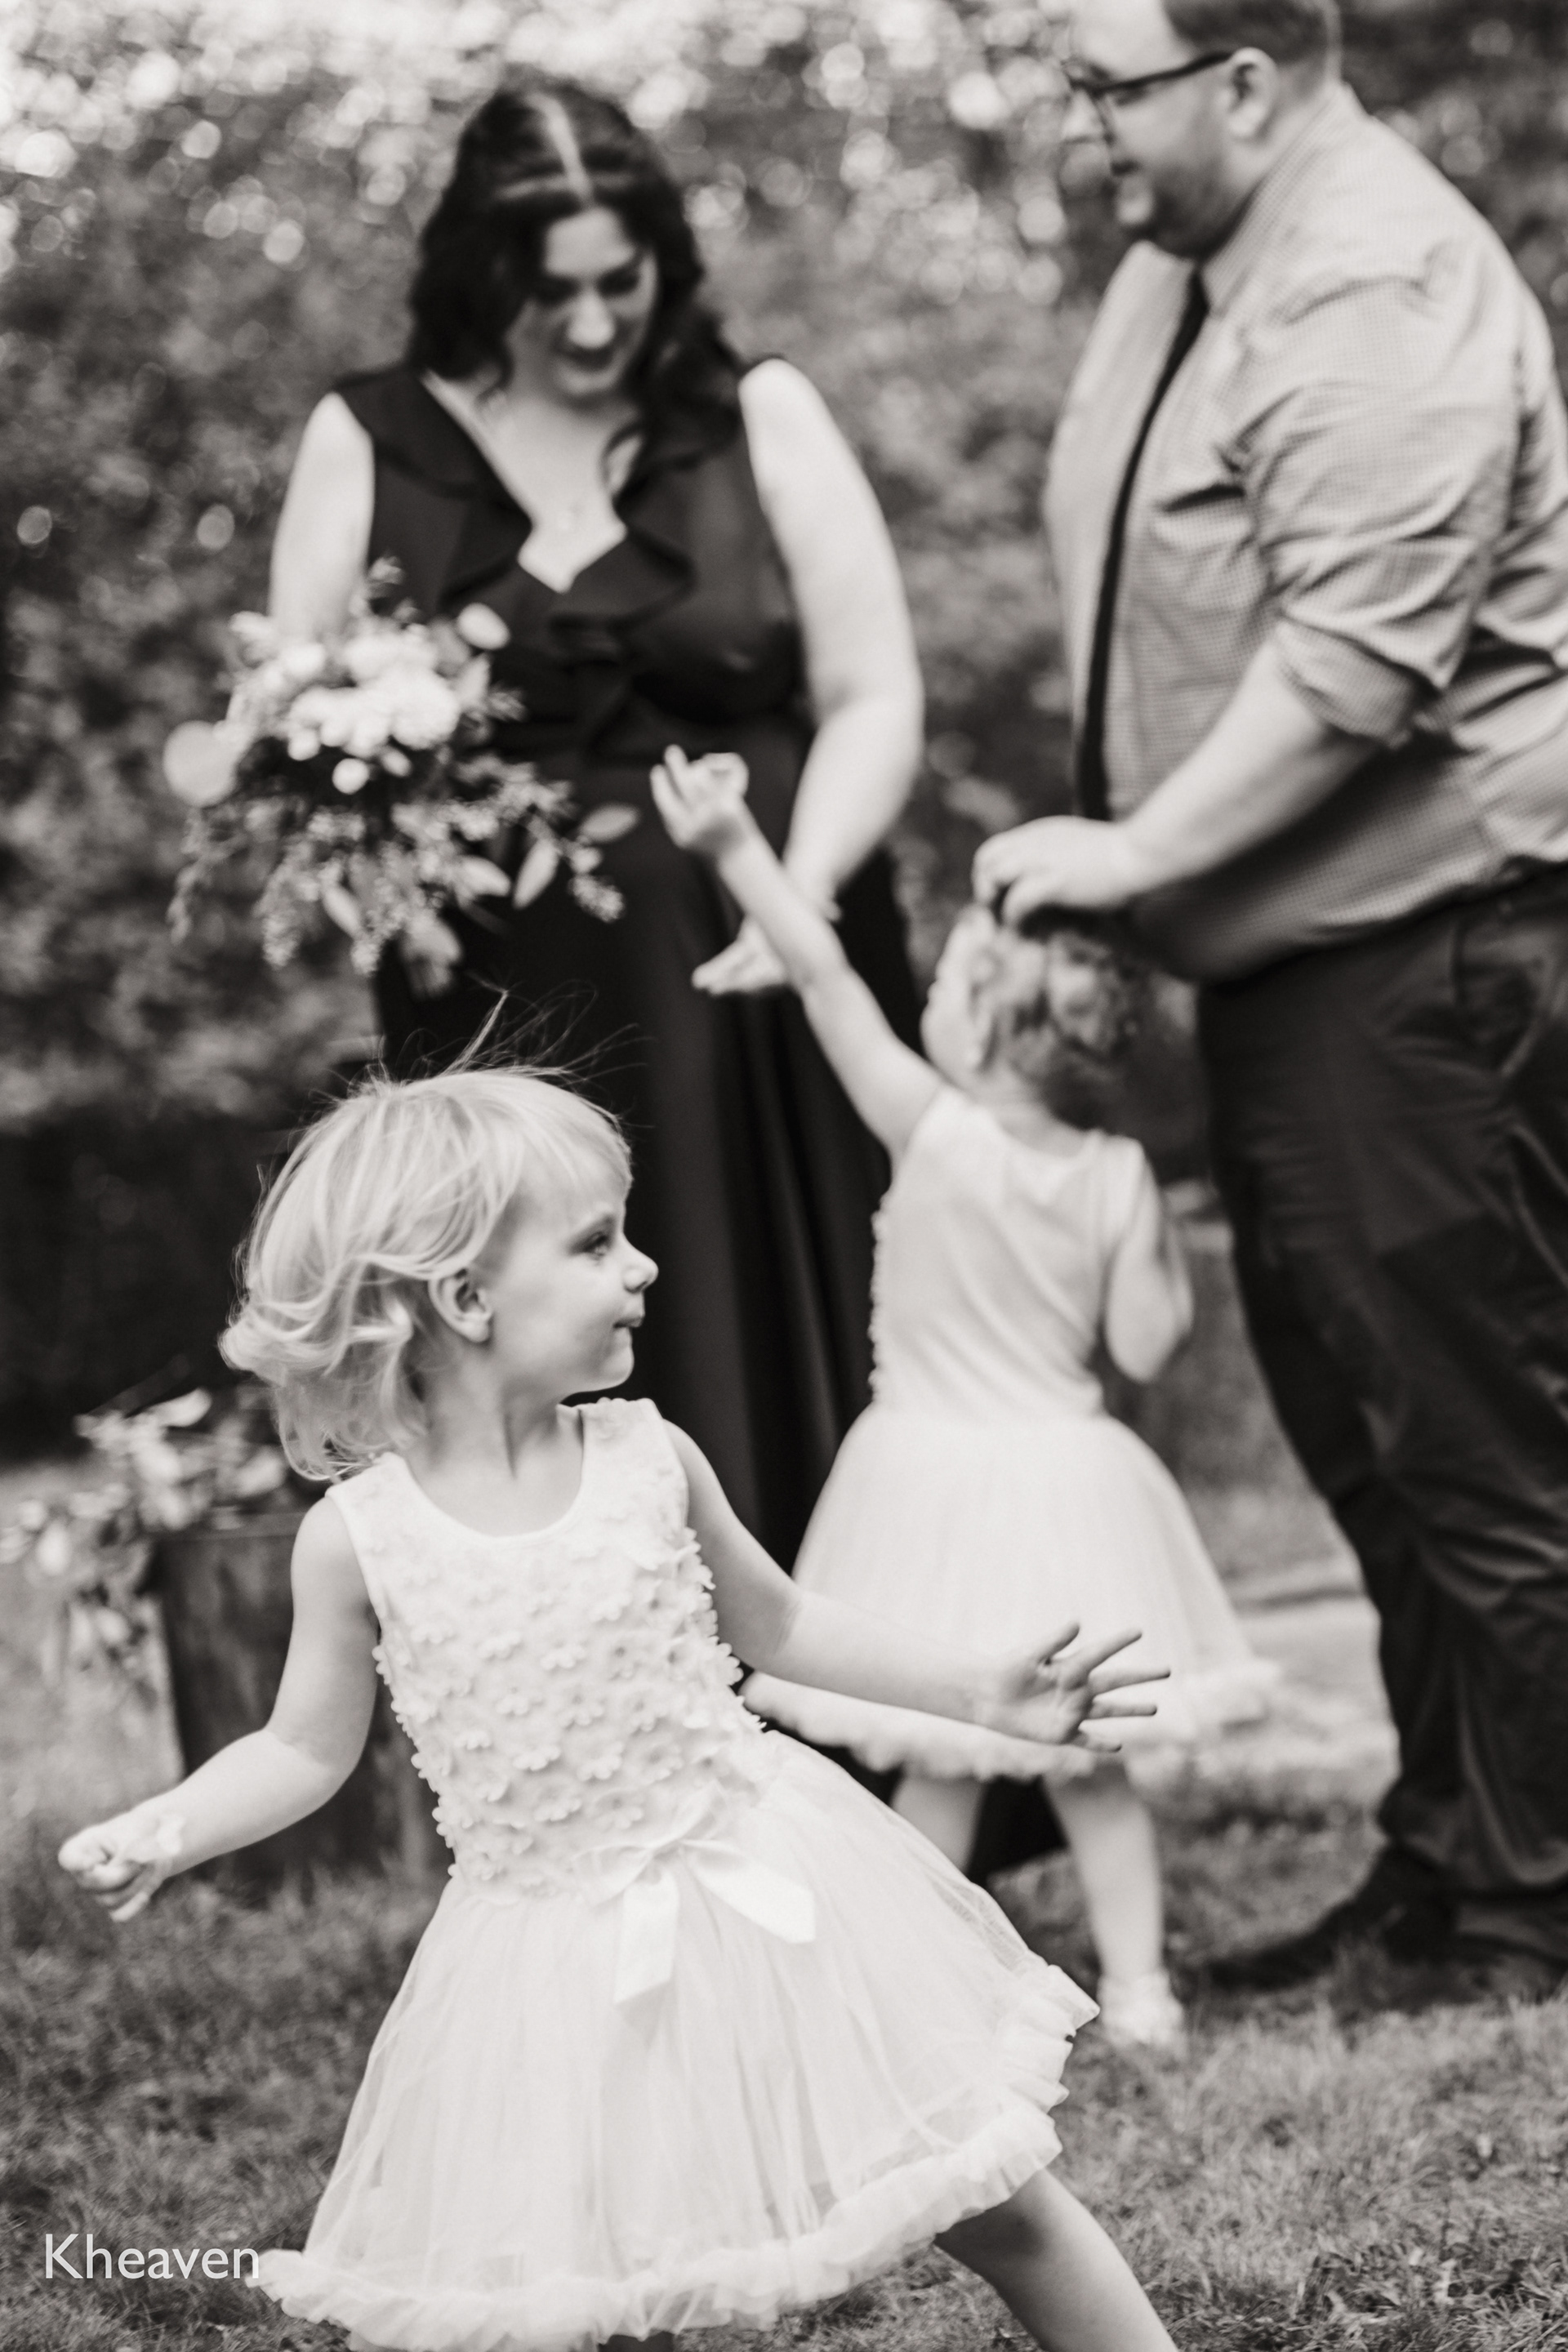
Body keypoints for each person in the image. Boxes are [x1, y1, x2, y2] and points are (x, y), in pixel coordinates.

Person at [58, 1069, 1176, 2352]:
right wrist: (173, 1829)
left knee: (993, 2193)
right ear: (465, 1298)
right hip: (551, 1961)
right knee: (575, 2285)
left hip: (770, 1886)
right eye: (596, 1243)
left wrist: (985, 1693)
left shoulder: (649, 1457)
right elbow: (300, 1749)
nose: (642, 1267)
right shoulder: (358, 1540)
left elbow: (781, 1626)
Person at [974, 0, 1568, 1999]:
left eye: (1108, 88)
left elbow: (1355, 663)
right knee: (1380, 1453)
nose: (1082, 129)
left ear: (1244, 80)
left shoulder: (1369, 277)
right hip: (1305, 962)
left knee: (1482, 1447)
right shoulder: (1194, 258)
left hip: (1430, 956)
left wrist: (1136, 855)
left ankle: (1537, 1902)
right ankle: (1454, 1853)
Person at [267, 76, 924, 1571]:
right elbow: (293, 739)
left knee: (805, 1318)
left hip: (766, 972)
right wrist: (375, 860)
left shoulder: (757, 414)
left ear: (661, 260)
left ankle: (852, 1670)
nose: (586, 323)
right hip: (499, 1008)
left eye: (617, 282)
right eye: (545, 288)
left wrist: (799, 897)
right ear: (476, 270)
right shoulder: (367, 438)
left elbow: (874, 690)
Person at [653, 747, 1275, 2054]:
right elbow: (1148, 1346)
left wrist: (731, 846)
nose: (928, 993)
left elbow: (821, 977)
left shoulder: (928, 1125)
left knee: (939, 1754)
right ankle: (1143, 1993)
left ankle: (910, 1991)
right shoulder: (1115, 1174)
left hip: (930, 1480)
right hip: (1070, 1479)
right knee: (1091, 1764)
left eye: (945, 982)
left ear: (985, 1019)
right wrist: (1149, 1229)